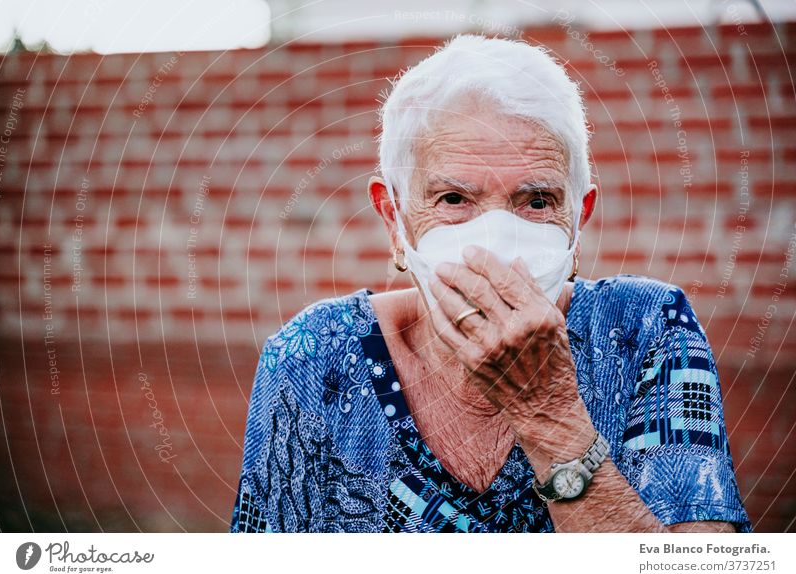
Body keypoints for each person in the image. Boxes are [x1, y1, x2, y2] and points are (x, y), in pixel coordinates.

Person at [230, 34, 751, 533]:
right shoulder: (312, 356)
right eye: (454, 199)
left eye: (537, 201)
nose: (498, 240)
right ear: (394, 219)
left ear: (578, 219)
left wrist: (549, 413)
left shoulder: (647, 329)